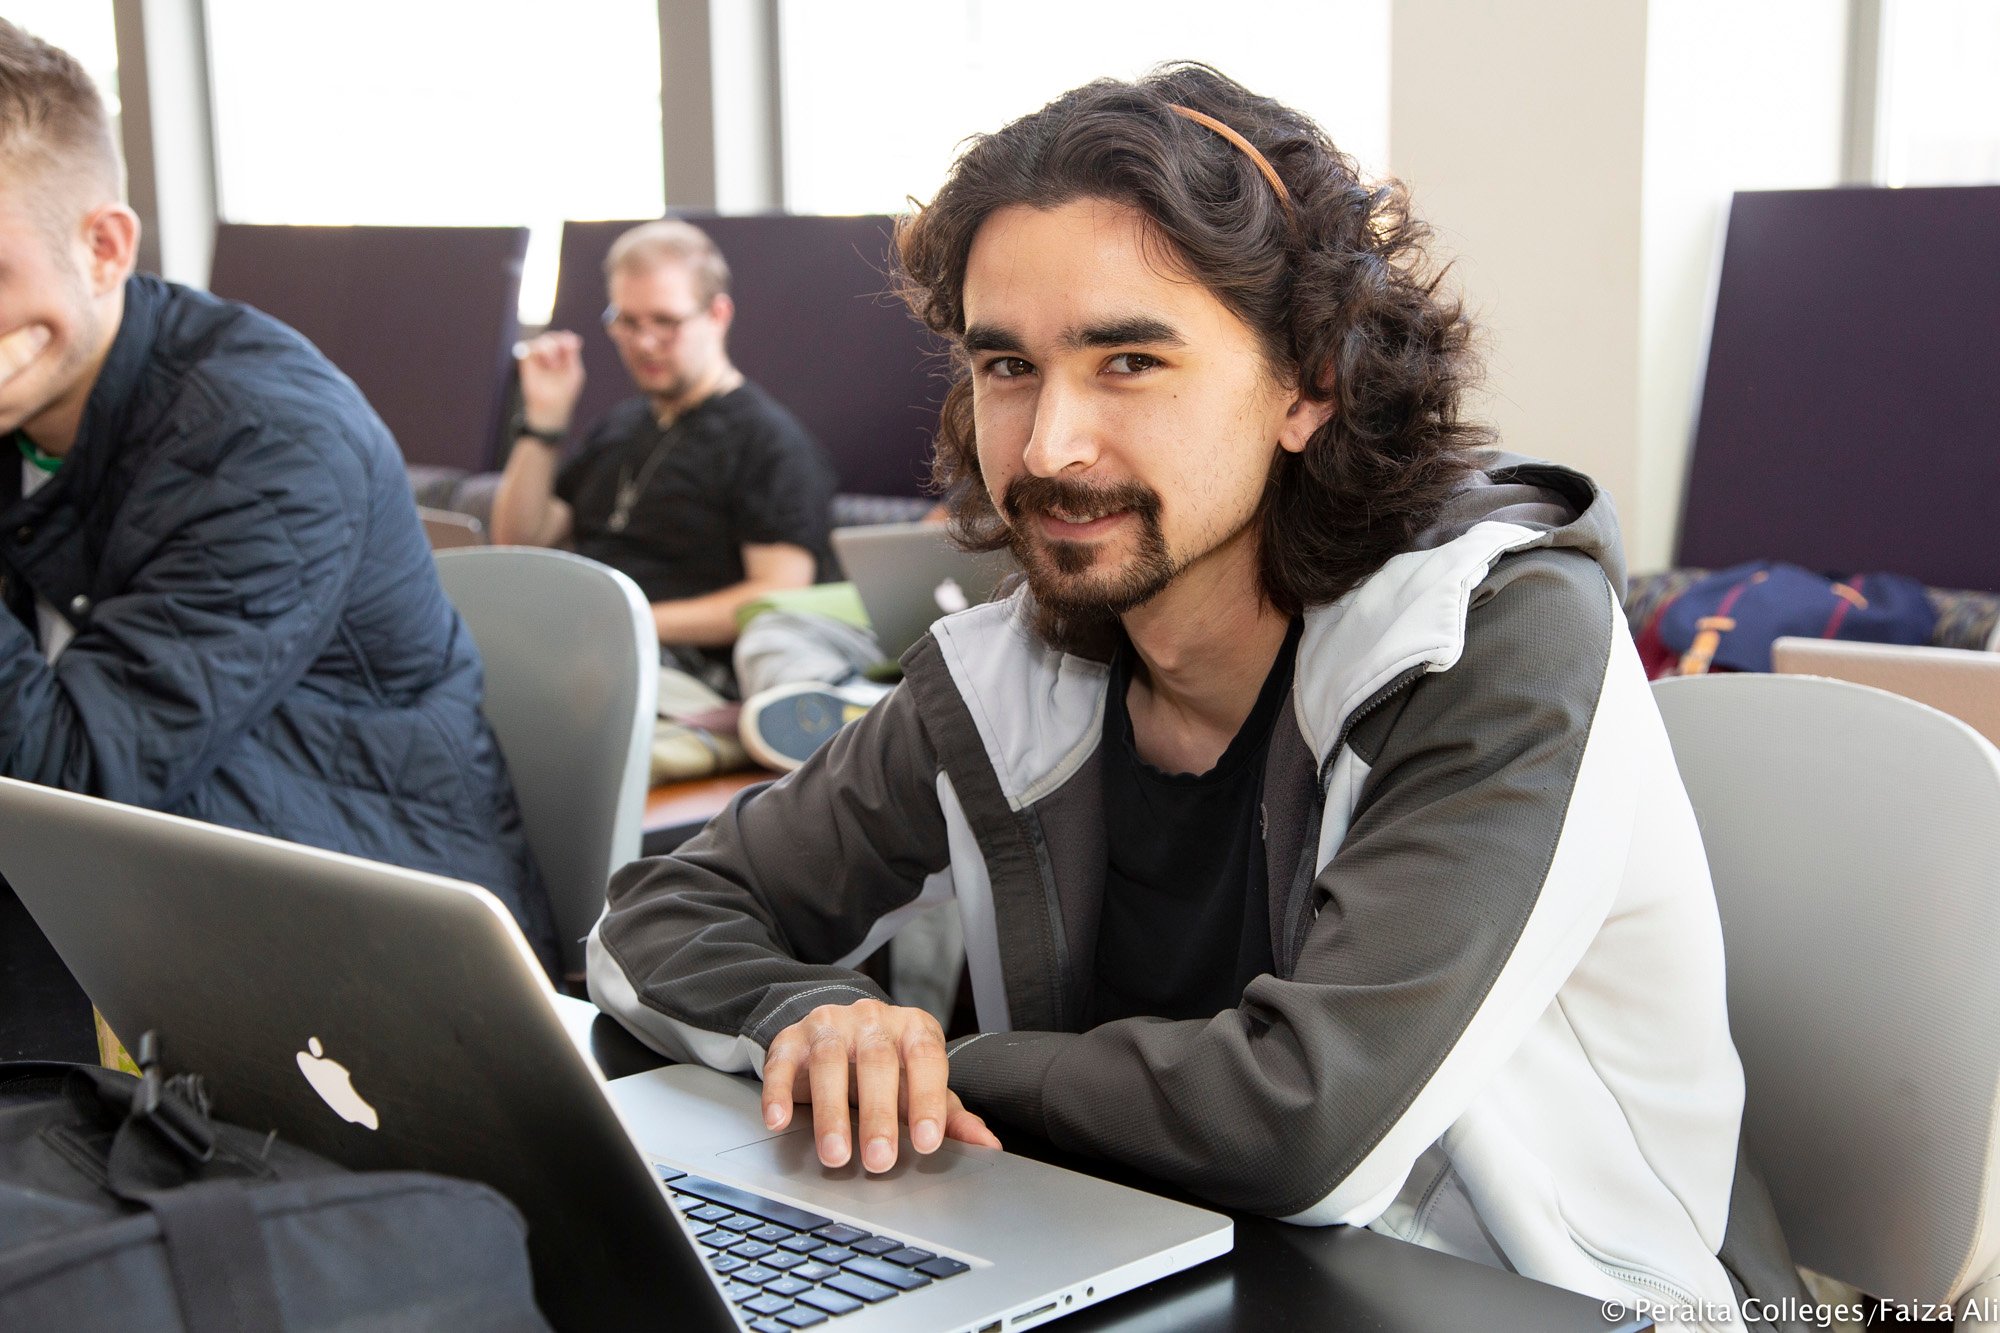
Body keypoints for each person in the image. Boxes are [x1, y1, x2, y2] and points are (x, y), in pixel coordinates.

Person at [589, 66, 1813, 1327]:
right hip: (1147, 1271)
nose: (1051, 441)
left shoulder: (1496, 640)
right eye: (1006, 365)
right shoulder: (1013, 667)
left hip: (1535, 1296)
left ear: (1308, 385)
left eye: (1127, 360)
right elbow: (661, 915)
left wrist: (934, 1067)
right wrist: (818, 1016)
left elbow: (1307, 1123)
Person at [0, 19, 560, 1044]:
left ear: (105, 245)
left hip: (373, 982)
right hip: (162, 907)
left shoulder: (263, 435)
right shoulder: (26, 403)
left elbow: (67, 788)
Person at [491, 220, 840, 705]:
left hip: (684, 667)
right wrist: (543, 424)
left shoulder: (769, 442)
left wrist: (628, 620)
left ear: (718, 314)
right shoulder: (619, 427)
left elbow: (779, 594)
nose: (644, 343)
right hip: (589, 647)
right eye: (627, 322)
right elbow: (520, 539)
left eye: (665, 322)